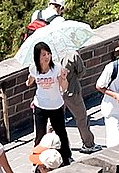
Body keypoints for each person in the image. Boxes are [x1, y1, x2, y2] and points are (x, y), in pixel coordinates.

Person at [27, 38, 76, 166]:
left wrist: (64, 78)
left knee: (60, 133)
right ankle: (38, 159)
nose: (47, 57)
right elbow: (29, 82)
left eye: (48, 54)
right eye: (43, 55)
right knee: (40, 134)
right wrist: (29, 79)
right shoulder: (33, 68)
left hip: (56, 105)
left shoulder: (56, 68)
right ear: (37, 56)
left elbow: (63, 87)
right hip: (40, 105)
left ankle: (66, 156)